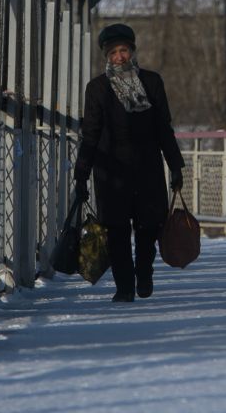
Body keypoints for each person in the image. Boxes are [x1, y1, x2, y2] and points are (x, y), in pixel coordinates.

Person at [73, 22, 185, 302]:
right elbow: (90, 134)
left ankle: (144, 273)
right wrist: (81, 173)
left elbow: (163, 127)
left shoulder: (152, 82)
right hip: (111, 172)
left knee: (149, 227)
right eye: (113, 53)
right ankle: (124, 287)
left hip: (147, 167)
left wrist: (175, 166)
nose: (119, 57)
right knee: (116, 231)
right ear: (106, 56)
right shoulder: (97, 89)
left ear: (132, 51)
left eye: (124, 51)